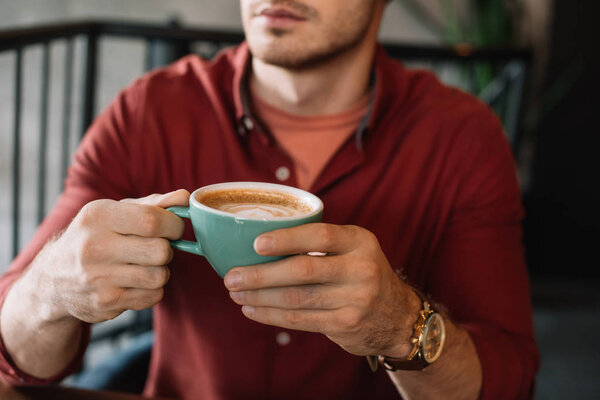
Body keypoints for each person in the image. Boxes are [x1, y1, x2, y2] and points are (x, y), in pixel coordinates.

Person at [0, 0, 539, 398]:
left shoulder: (463, 138)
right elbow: (11, 351)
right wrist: (51, 286)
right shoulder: (148, 112)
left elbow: (507, 379)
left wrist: (401, 327)